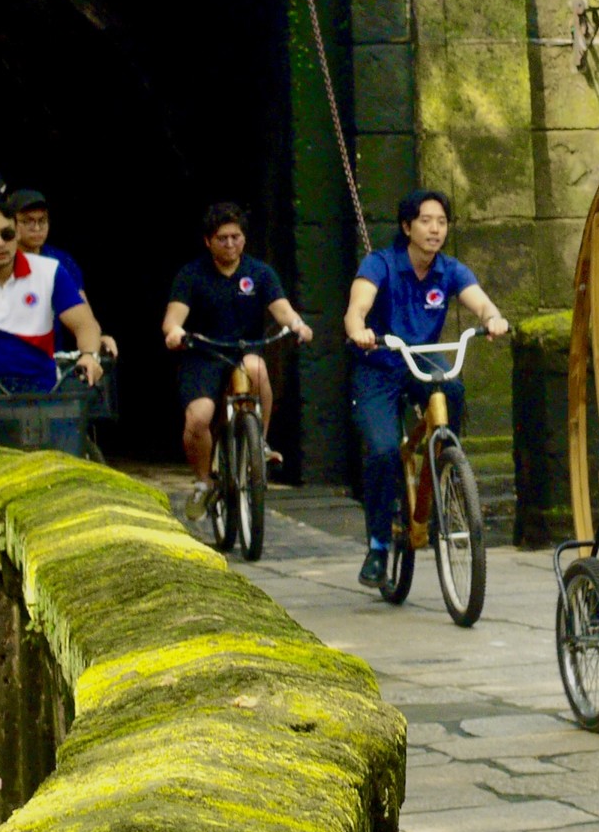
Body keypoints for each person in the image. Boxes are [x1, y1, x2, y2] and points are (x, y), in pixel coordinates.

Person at [343, 189, 509, 585]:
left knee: (452, 389)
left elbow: (482, 303)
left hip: (422, 357)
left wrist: (493, 318)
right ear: (407, 227)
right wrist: (360, 332)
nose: (435, 229)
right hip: (379, 363)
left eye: (442, 222)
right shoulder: (380, 263)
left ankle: (445, 467)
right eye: (426, 221)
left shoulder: (449, 270)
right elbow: (357, 308)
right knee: (383, 452)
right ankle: (379, 546)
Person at [162, 202, 314, 496]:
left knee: (257, 369)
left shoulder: (260, 273)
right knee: (198, 419)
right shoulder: (191, 275)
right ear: (208, 241)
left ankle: (260, 443)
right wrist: (175, 332)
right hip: (205, 352)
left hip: (245, 350)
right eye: (222, 238)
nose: (231, 244)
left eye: (236, 236)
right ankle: (204, 481)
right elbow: (173, 318)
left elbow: (281, 309)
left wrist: (297, 324)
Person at [0, 192, 107, 421]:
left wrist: (89, 356)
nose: (0, 244)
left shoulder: (50, 271)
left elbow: (85, 325)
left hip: (44, 390)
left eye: (7, 234)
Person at [11, 189, 113, 360]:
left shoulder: (60, 260)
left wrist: (96, 338)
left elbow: (83, 312)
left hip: (49, 358)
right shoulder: (0, 260)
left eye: (42, 221)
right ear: (11, 224)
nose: (36, 228)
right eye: (28, 221)